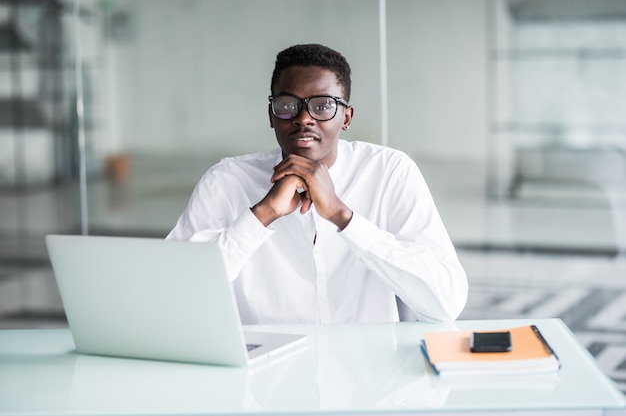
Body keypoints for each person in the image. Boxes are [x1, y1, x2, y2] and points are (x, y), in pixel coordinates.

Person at [167, 44, 467, 324]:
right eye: (288, 105)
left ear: (346, 117)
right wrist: (261, 215)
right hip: (263, 376)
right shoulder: (226, 182)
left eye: (323, 106)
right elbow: (171, 296)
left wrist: (342, 216)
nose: (304, 119)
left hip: (370, 375)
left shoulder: (390, 173)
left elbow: (446, 303)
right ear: (271, 116)